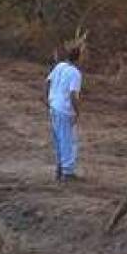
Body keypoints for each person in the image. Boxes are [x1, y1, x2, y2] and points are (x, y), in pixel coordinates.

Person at [45, 45, 83, 182]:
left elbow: (48, 82)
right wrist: (77, 112)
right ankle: (67, 172)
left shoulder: (60, 66)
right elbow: (73, 94)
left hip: (54, 106)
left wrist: (47, 99)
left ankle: (60, 167)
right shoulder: (75, 73)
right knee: (68, 140)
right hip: (64, 109)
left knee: (59, 139)